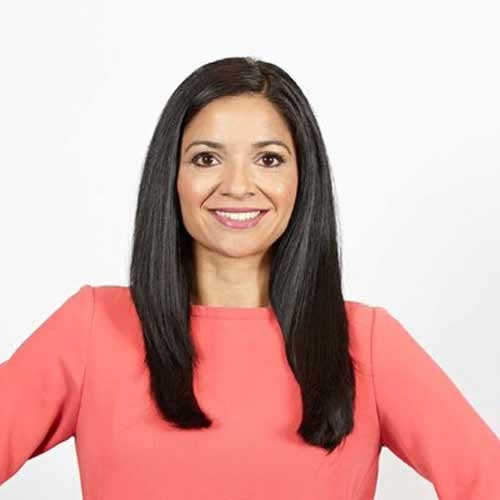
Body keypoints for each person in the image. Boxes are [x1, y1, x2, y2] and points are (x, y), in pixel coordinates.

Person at [1, 56, 499, 499]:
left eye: (268, 159)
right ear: (171, 177)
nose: (238, 186)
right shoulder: (92, 327)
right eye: (206, 158)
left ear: (302, 178)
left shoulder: (366, 342)